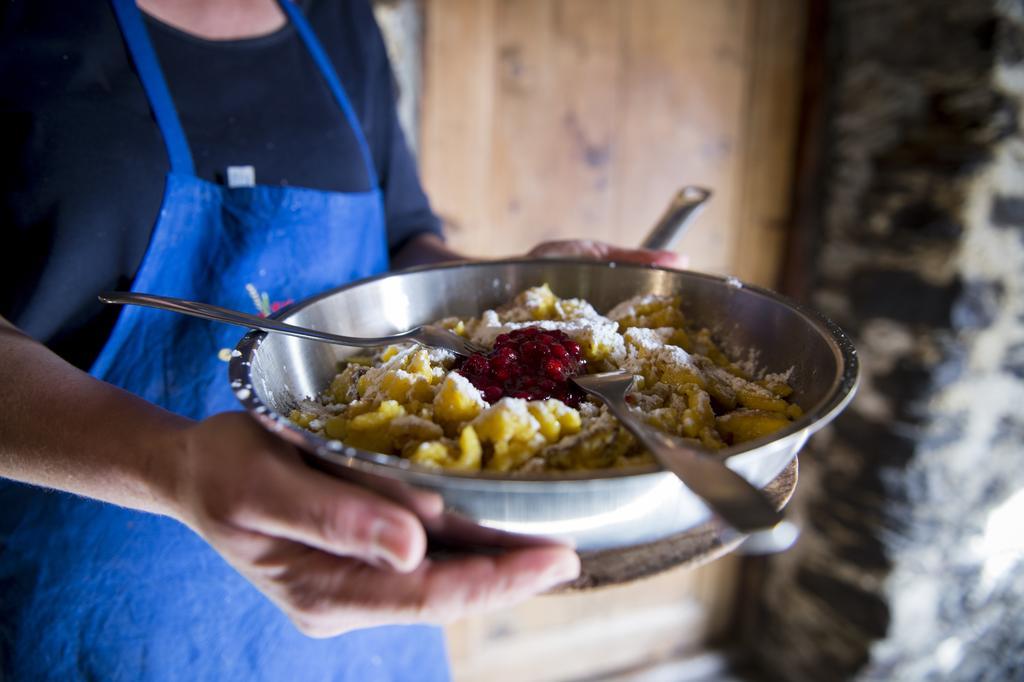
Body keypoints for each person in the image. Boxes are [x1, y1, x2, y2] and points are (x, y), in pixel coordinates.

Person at [0, 0, 684, 679]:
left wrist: (511, 299)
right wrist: (173, 466)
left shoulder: (339, 19)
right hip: (100, 614)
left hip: (376, 609)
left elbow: (404, 243)